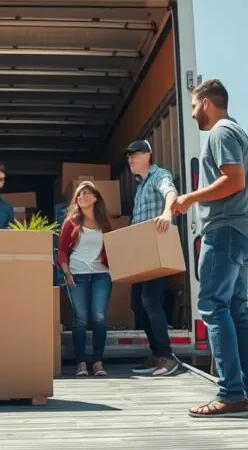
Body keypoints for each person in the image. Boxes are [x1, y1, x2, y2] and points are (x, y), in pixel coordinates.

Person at [172, 78, 248, 418]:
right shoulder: (238, 132)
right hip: (243, 230)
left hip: (226, 229)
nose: (194, 112)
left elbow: (234, 180)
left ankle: (230, 394)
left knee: (213, 306)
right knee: (237, 310)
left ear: (207, 103)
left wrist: (189, 198)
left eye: (195, 105)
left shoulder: (221, 133)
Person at [125, 139, 181, 377]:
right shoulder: (139, 186)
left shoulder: (159, 175)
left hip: (157, 250)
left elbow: (170, 191)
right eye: (128, 156)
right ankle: (157, 353)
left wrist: (168, 212)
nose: (130, 159)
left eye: (134, 154)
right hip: (141, 253)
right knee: (136, 304)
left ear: (148, 154)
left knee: (150, 300)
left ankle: (168, 357)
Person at [56, 181, 113, 377]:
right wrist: (67, 272)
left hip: (101, 275)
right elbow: (61, 250)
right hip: (77, 274)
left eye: (86, 193)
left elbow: (114, 247)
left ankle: (97, 362)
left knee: (99, 317)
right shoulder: (71, 222)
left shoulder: (104, 222)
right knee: (80, 319)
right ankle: (80, 363)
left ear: (95, 198)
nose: (82, 197)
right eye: (79, 195)